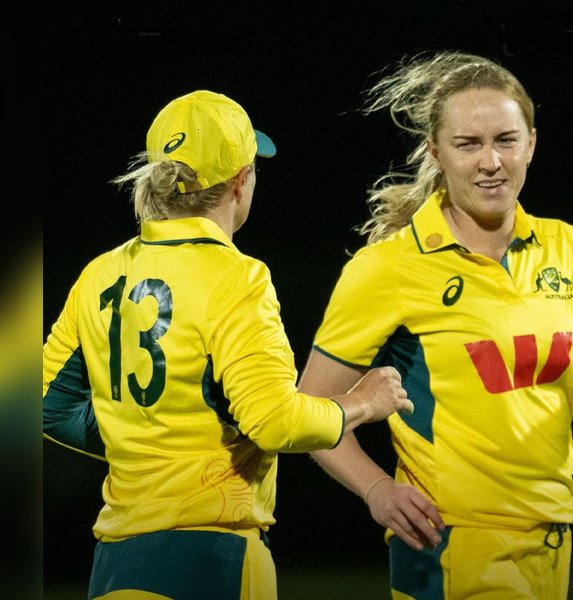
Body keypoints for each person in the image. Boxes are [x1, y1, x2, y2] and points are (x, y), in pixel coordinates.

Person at [296, 51, 573, 599]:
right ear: (434, 152)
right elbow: (308, 410)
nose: (491, 161)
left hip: (552, 543)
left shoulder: (568, 249)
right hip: (452, 548)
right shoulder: (389, 268)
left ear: (531, 143)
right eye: (469, 144)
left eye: (506, 140)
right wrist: (377, 490)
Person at [42, 89, 413, 600]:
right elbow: (277, 423)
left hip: (115, 563)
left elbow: (45, 407)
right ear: (241, 182)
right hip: (211, 558)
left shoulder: (99, 275)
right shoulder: (237, 278)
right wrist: (363, 402)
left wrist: (143, 438)